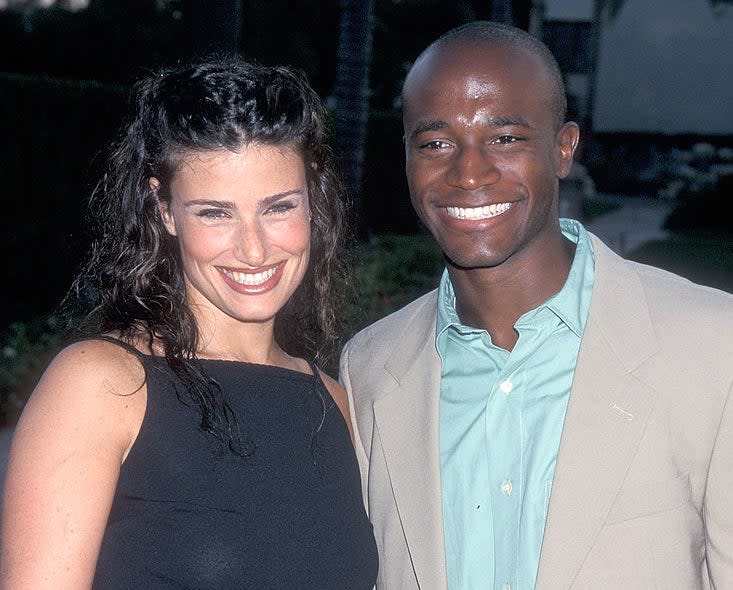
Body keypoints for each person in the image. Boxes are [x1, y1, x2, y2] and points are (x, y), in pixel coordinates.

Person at [339, 20, 733, 590]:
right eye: (435, 143)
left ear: (563, 148)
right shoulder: (370, 368)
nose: (468, 171)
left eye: (505, 138)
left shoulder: (710, 347)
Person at [0, 55, 378, 589]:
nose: (254, 248)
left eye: (277, 208)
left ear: (313, 198)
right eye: (214, 212)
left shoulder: (335, 404)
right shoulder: (102, 385)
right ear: (164, 210)